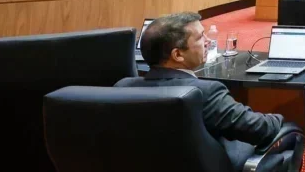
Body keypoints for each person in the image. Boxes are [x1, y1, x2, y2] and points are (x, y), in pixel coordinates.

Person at [116, 13, 285, 171]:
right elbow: (259, 129)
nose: (208, 41)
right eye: (200, 37)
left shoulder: (122, 89)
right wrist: (279, 119)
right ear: (178, 54)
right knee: (291, 133)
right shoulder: (206, 92)